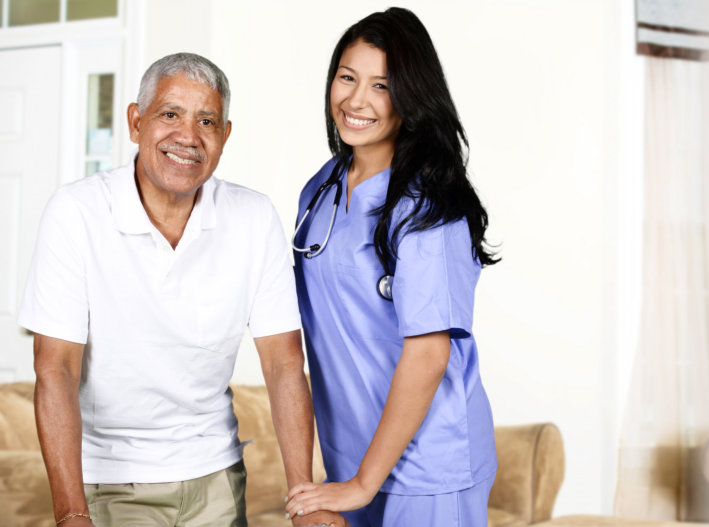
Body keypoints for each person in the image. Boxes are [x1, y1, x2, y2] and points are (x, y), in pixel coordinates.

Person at [19, 52, 343, 527]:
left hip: (215, 473)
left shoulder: (253, 218)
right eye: (170, 114)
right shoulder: (76, 213)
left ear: (224, 137)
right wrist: (71, 514)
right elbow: (55, 370)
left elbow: (283, 364)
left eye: (206, 120)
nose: (188, 136)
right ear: (135, 121)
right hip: (108, 478)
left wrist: (303, 500)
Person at [287, 8, 499, 527]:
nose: (356, 100)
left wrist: (364, 483)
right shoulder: (320, 189)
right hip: (353, 455)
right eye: (347, 77)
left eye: (381, 85)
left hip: (428, 464)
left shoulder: (429, 206)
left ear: (410, 97)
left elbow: (428, 354)